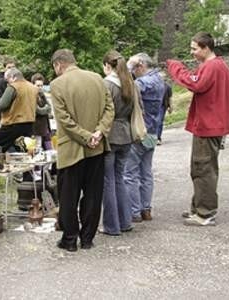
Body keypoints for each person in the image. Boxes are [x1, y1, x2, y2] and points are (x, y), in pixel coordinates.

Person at [50, 49, 114, 251]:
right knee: (93, 194)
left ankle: (70, 240)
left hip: (72, 149)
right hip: (97, 147)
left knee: (68, 196)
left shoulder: (57, 84)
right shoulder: (97, 78)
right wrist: (99, 133)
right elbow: (109, 109)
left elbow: (64, 121)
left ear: (58, 65)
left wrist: (86, 137)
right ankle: (87, 238)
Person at [167, 32, 229, 226]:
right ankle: (198, 208)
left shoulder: (212, 66)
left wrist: (176, 68)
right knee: (203, 168)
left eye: (194, 48)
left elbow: (195, 84)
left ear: (206, 47)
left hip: (208, 125)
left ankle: (205, 213)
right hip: (214, 124)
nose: (192, 52)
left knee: (203, 169)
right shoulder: (221, 66)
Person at [101, 50, 139, 236]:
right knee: (119, 178)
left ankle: (111, 225)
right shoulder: (130, 84)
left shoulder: (107, 84)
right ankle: (125, 221)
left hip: (111, 135)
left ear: (108, 66)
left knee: (108, 181)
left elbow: (102, 112)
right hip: (126, 134)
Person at [125, 53, 165, 222]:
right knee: (146, 173)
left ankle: (134, 212)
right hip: (153, 131)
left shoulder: (142, 83)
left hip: (139, 132)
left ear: (140, 66)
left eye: (134, 68)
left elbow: (126, 88)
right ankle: (146, 209)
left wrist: (127, 67)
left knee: (130, 174)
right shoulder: (159, 80)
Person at [0, 67, 38, 155]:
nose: (7, 83)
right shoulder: (33, 88)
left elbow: (1, 105)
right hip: (29, 125)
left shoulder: (13, 87)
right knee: (24, 150)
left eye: (8, 80)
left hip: (13, 123)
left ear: (13, 77)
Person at [30, 73, 52, 151]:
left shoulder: (42, 95)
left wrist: (46, 109)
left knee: (49, 149)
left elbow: (49, 108)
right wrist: (45, 109)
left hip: (45, 127)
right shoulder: (31, 96)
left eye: (41, 85)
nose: (40, 88)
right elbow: (38, 110)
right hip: (36, 128)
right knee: (37, 148)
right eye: (38, 85)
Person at [157, 72, 173, 145]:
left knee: (159, 122)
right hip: (154, 106)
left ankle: (158, 138)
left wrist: (171, 107)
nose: (162, 78)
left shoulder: (168, 87)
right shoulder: (154, 85)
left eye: (163, 77)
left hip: (162, 106)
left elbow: (170, 97)